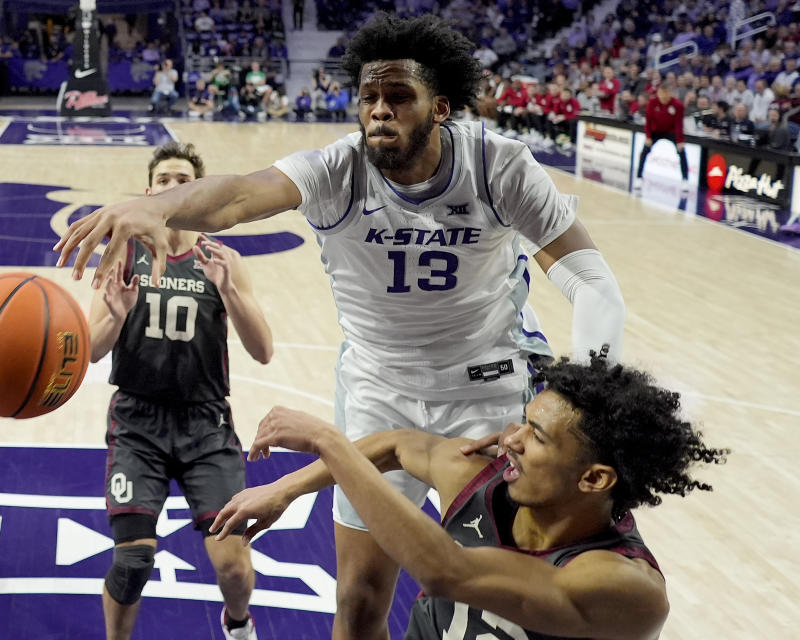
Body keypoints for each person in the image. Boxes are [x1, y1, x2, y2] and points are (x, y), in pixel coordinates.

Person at [55, 14, 626, 640]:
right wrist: (154, 207)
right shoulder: (336, 169)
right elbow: (237, 196)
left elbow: (591, 282)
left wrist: (587, 409)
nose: (379, 111)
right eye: (369, 98)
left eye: (398, 97)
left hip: (488, 392)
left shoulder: (499, 166)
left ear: (440, 108)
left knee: (503, 610)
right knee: (356, 605)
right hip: (378, 390)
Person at [212, 355, 728, 639]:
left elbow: (447, 572)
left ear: (593, 480)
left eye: (536, 437)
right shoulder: (484, 481)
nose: (511, 440)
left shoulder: (623, 585)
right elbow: (396, 445)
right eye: (523, 423)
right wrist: (283, 490)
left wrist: (329, 441)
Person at [89, 143, 272, 640]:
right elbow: (88, 350)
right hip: (137, 422)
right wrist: (119, 313)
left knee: (233, 568)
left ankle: (237, 624)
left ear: (199, 192)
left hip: (206, 425)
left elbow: (264, 351)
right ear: (149, 191)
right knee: (131, 563)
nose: (172, 188)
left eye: (182, 180)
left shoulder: (223, 258)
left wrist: (230, 291)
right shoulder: (122, 255)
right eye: (163, 180)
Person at [634, 84, 689, 193]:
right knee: (644, 151)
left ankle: (685, 181)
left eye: (666, 93)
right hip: (656, 130)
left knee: (682, 151)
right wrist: (648, 137)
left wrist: (679, 141)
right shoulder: (652, 103)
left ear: (670, 93)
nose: (663, 96)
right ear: (658, 93)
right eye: (661, 94)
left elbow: (679, 124)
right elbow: (648, 122)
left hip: (671, 131)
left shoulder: (677, 105)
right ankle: (639, 178)